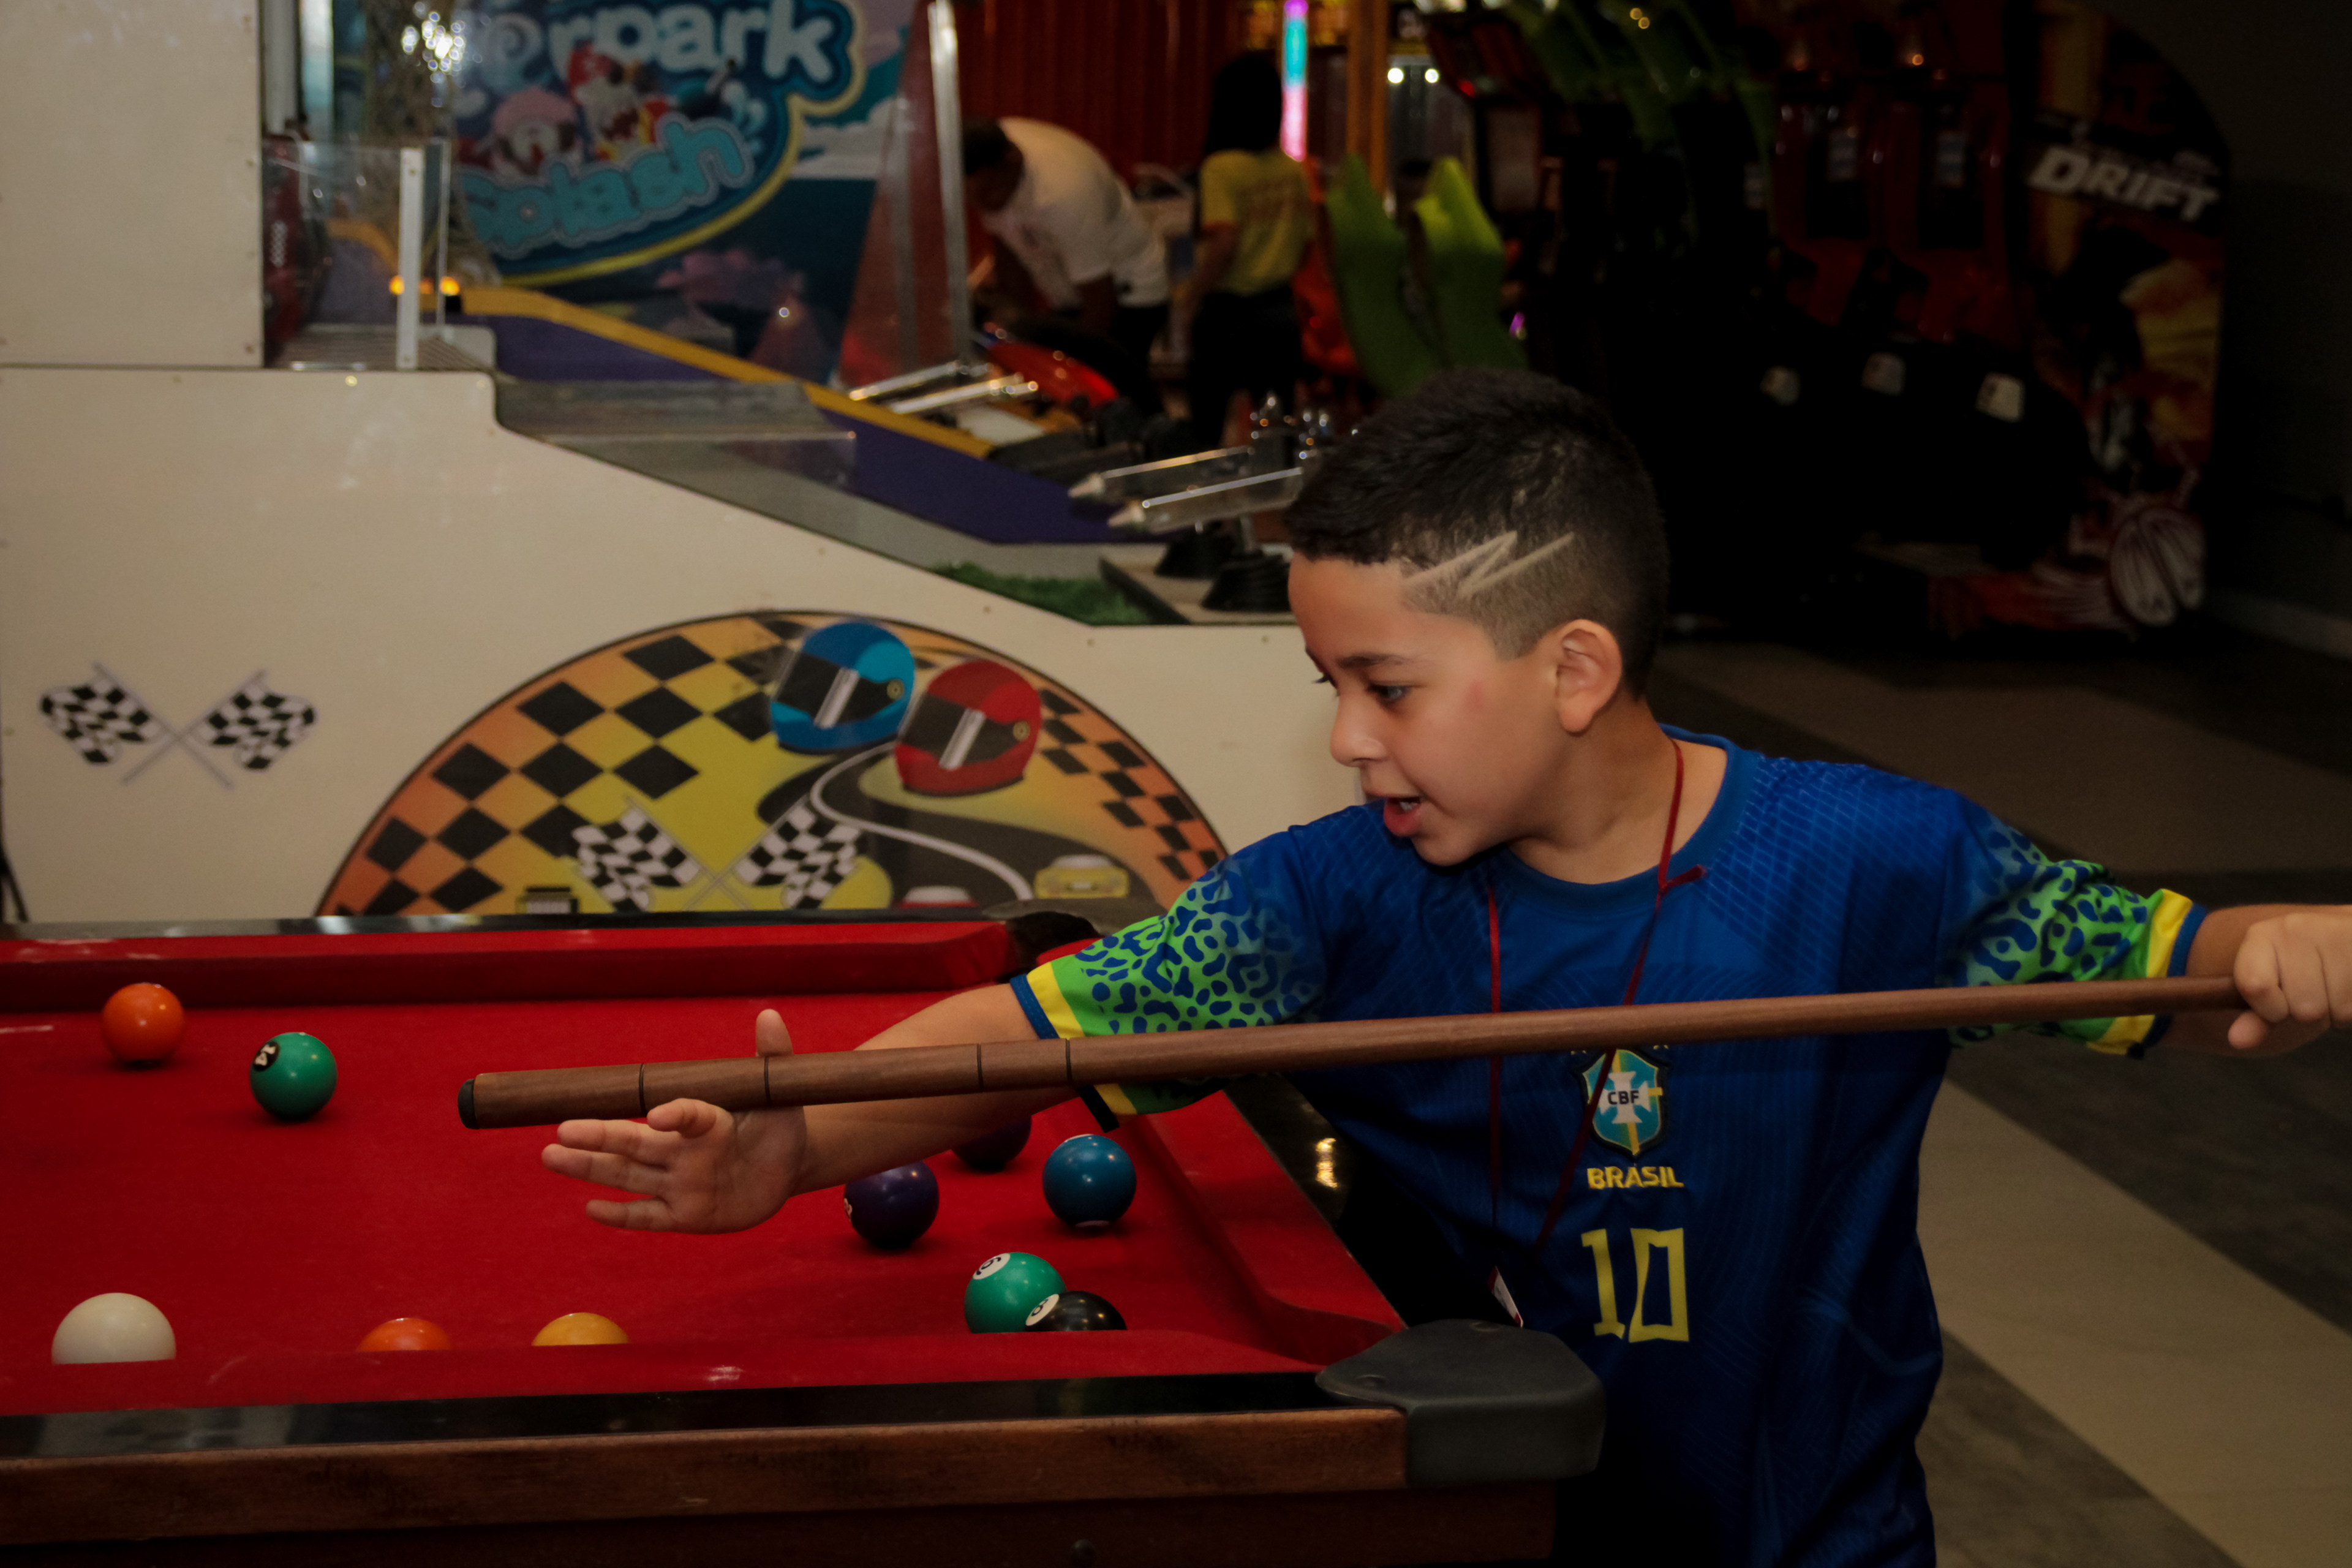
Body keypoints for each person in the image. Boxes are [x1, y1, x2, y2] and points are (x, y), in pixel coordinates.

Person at [541, 369, 2352, 1566]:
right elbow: (1036, 1038)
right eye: (1325, 682)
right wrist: (805, 1142)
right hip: (1483, 1528)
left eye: (1383, 685)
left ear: (1571, 668)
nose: (1341, 739)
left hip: (1822, 1540)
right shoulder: (1321, 905)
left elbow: (2175, 970)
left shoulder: (1877, 857)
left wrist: (2279, 942)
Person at [963, 116, 1170, 409]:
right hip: (1071, 290)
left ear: (1011, 163)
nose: (981, 205)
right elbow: (1008, 254)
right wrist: (1016, 335)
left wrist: (1076, 372)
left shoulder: (1062, 194)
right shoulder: (986, 156)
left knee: (1115, 394)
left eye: (985, 194)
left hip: (1128, 293)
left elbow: (1099, 298)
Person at [1182, 53, 1313, 448]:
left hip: (1228, 314)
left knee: (1206, 424)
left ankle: (1207, 506)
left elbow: (1224, 242)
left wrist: (1193, 295)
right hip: (1279, 310)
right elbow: (1306, 245)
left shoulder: (1221, 168)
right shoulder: (1294, 170)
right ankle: (1279, 503)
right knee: (1277, 426)